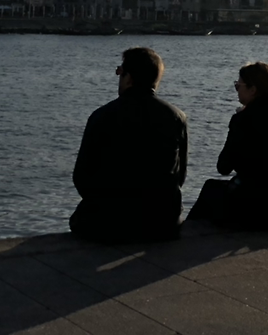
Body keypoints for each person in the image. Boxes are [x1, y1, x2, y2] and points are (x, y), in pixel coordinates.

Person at [70, 47, 188, 242]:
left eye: (120, 71)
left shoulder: (102, 116)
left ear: (129, 78)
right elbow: (180, 175)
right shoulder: (176, 117)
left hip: (111, 222)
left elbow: (81, 177)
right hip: (162, 222)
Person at [188, 61, 268, 229]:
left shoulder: (242, 119)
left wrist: (237, 124)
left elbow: (223, 167)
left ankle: (185, 234)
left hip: (252, 208)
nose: (237, 90)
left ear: (252, 89)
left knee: (211, 188)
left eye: (238, 86)